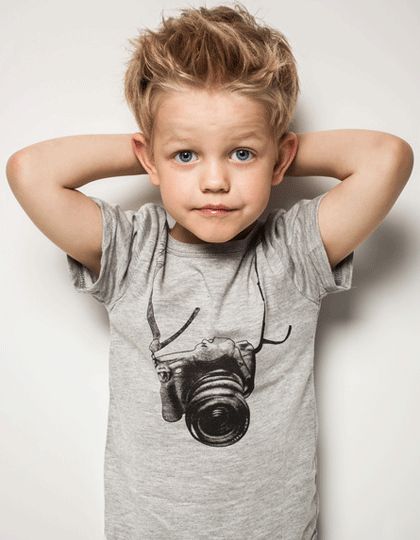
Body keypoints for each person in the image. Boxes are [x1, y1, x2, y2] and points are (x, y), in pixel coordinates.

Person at [6, 3, 413, 539]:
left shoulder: (291, 251)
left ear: (279, 158)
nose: (215, 180)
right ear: (148, 157)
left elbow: (388, 156)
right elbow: (30, 171)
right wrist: (164, 144)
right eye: (186, 157)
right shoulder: (133, 251)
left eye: (242, 154)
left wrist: (246, 145)